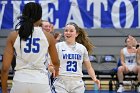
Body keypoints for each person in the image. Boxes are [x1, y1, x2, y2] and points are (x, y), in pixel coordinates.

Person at [1, 2, 60, 93]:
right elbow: (56, 62)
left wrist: (4, 90)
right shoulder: (48, 36)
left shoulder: (13, 35)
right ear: (40, 17)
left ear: (23, 15)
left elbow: (5, 68)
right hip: (41, 82)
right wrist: (56, 73)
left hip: (20, 81)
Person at [53, 22, 100, 93]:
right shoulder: (58, 46)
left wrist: (94, 79)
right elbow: (51, 64)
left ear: (77, 34)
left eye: (71, 31)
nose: (68, 33)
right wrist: (52, 70)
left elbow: (89, 67)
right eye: (66, 30)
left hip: (77, 82)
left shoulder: (82, 48)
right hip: (61, 81)